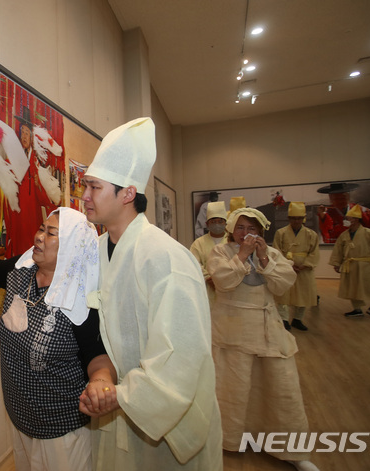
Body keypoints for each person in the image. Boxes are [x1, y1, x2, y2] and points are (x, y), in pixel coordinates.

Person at [77, 117, 223, 470]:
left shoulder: (166, 258)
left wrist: (122, 396)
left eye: (94, 187)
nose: (84, 196)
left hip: (163, 416)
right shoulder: (94, 250)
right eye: (85, 185)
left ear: (127, 193)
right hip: (114, 402)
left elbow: (181, 355)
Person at [0, 205, 115, 471]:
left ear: (70, 246)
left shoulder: (80, 297)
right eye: (41, 229)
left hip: (62, 428)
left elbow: (97, 355)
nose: (38, 237)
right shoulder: (21, 271)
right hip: (21, 417)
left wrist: (101, 381)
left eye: (51, 233)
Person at [207, 207, 319, 471]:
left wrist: (264, 259)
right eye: (241, 228)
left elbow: (283, 284)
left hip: (267, 327)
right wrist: (243, 256)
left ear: (261, 231)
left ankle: (291, 450)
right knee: (233, 387)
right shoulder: (220, 252)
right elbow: (222, 281)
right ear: (232, 230)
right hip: (231, 331)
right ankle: (230, 437)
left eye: (252, 229)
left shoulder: (272, 253)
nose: (247, 233)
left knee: (281, 386)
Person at [3, 106, 59, 258]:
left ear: (32, 136)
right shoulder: (13, 160)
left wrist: (37, 184)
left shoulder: (36, 165)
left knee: (31, 258)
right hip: (18, 220)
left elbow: (44, 200)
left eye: (27, 133)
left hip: (32, 220)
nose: (24, 136)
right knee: (17, 257)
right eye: (22, 132)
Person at [329, 204, 370, 317]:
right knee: (352, 287)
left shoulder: (369, 234)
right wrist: (337, 263)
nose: (346, 221)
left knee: (369, 286)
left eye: (348, 218)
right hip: (350, 265)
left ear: (356, 219)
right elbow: (338, 250)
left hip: (365, 265)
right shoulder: (344, 235)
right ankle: (357, 309)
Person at [273, 202, 320, 331]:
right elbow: (276, 251)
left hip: (304, 270)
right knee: (284, 294)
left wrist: (305, 265)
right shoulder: (281, 233)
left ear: (303, 218)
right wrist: (287, 265)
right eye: (293, 218)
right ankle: (284, 319)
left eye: (299, 218)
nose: (296, 221)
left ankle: (298, 319)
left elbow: (314, 252)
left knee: (303, 294)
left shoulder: (311, 234)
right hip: (286, 269)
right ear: (289, 218)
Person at [190, 200, 228, 304]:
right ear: (207, 224)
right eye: (213, 221)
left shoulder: (232, 241)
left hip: (230, 288)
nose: (217, 224)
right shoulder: (198, 243)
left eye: (220, 221)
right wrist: (208, 278)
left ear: (226, 223)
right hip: (207, 289)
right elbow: (194, 263)